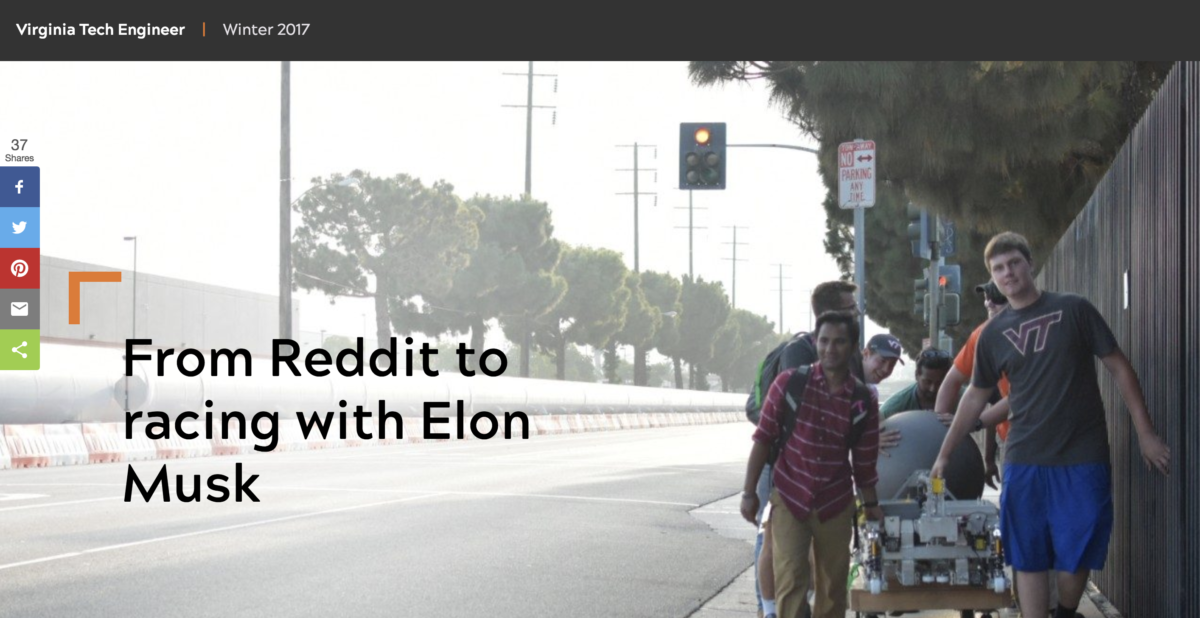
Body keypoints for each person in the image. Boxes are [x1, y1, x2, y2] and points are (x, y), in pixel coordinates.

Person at [931, 232, 1170, 618]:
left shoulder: (1074, 309)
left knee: (1081, 542)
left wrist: (1146, 435)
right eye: (998, 268)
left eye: (1014, 263)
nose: (1008, 273)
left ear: (1029, 264)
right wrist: (945, 454)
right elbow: (974, 395)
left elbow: (1119, 367)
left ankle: (1066, 611)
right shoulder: (991, 334)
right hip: (1026, 456)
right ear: (992, 277)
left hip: (1083, 453)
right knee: (1027, 552)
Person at [741, 310, 883, 618]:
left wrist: (871, 506)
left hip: (836, 503)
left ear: (853, 347)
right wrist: (749, 492)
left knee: (832, 589)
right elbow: (763, 438)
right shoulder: (789, 383)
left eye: (839, 342)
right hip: (790, 497)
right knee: (791, 580)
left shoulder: (863, 400)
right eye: (824, 341)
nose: (830, 349)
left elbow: (864, 462)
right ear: (816, 343)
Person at [933, 280, 1012, 488]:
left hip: (1053, 436)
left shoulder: (1028, 331)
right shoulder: (982, 335)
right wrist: (938, 429)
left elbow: (1024, 396)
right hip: (1012, 438)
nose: (988, 304)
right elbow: (953, 380)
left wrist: (975, 422)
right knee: (1018, 510)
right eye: (986, 298)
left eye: (997, 298)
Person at [879, 347, 952, 420]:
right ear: (917, 375)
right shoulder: (892, 409)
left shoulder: (962, 401)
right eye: (927, 382)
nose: (933, 389)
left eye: (940, 383)